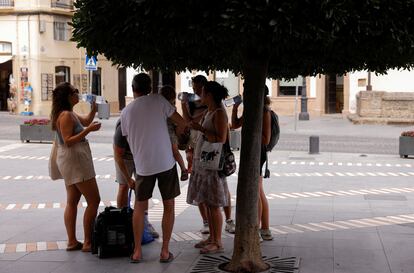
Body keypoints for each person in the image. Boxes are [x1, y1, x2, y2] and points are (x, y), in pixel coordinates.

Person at [120, 73, 188, 263]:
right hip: (165, 162)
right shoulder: (159, 100)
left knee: (139, 208)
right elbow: (181, 121)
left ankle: (137, 252)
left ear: (133, 89)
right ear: (150, 88)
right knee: (169, 205)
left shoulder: (126, 112)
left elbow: (127, 138)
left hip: (142, 165)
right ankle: (165, 251)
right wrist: (180, 133)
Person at [50, 82, 101, 252]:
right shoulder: (65, 115)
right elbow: (68, 140)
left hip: (71, 161)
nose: (77, 93)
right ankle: (87, 242)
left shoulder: (69, 113)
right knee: (94, 200)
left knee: (72, 201)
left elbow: (85, 121)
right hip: (76, 160)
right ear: (67, 96)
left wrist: (94, 110)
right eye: (74, 91)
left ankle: (72, 241)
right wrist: (89, 131)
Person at [181, 75, 235, 234]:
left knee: (213, 204)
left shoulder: (218, 112)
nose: (198, 94)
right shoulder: (210, 111)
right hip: (203, 161)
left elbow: (220, 138)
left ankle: (217, 240)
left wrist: (201, 129)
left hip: (212, 162)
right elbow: (191, 123)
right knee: (207, 201)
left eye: (201, 92)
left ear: (209, 95)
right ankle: (212, 238)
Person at [231, 86, 273, 241]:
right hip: (249, 152)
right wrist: (236, 108)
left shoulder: (264, 111)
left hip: (258, 153)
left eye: (245, 91)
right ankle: (264, 229)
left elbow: (266, 139)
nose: (243, 94)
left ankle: (262, 228)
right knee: (258, 190)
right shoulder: (250, 109)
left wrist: (251, 132)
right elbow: (235, 124)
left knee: (257, 191)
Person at [113, 119, 159, 238]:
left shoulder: (149, 125)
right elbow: (118, 155)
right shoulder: (123, 127)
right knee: (123, 186)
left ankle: (144, 222)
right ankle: (122, 220)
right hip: (124, 157)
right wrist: (128, 179)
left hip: (141, 155)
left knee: (143, 188)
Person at [159, 85, 189, 181]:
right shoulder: (172, 107)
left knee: (174, 152)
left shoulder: (165, 107)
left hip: (166, 133)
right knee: (175, 152)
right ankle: (183, 169)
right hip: (171, 132)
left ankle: (183, 169)